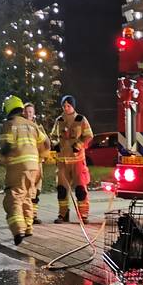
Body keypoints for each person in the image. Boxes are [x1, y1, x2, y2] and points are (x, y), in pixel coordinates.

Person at [0, 95, 48, 245]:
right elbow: (46, 143)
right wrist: (41, 157)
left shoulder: (9, 124)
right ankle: (28, 228)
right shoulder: (32, 125)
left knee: (13, 199)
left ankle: (18, 230)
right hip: (34, 168)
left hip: (18, 167)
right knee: (26, 197)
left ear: (8, 109)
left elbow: (6, 146)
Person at [49, 94, 93, 223]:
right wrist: (56, 144)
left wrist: (79, 145)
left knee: (80, 189)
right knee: (62, 190)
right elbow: (53, 136)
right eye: (64, 106)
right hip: (62, 162)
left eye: (68, 105)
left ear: (73, 106)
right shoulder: (59, 120)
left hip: (77, 161)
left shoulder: (81, 119)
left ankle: (83, 215)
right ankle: (63, 214)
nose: (66, 108)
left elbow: (88, 136)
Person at [22, 103, 50, 224]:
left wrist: (44, 156)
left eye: (31, 112)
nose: (29, 114)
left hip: (38, 163)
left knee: (36, 191)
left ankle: (33, 215)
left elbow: (46, 143)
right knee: (27, 190)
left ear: (34, 113)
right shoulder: (21, 128)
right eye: (27, 111)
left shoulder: (39, 128)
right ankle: (26, 216)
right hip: (26, 164)